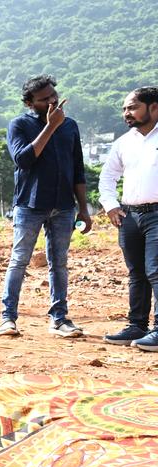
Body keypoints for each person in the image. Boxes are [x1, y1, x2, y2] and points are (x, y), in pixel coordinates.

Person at [0, 75, 93, 338]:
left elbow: (78, 169)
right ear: (30, 103)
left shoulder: (70, 126)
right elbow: (23, 160)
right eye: (45, 99)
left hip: (64, 206)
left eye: (54, 94)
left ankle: (59, 318)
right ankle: (8, 318)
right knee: (19, 261)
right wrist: (51, 126)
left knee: (59, 263)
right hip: (30, 205)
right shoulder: (19, 125)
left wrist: (83, 209)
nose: (53, 100)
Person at [99, 87, 158, 352]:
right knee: (137, 273)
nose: (126, 113)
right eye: (124, 108)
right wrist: (111, 206)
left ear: (153, 108)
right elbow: (107, 177)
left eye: (132, 107)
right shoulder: (124, 142)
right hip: (130, 216)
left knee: (156, 271)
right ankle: (137, 325)